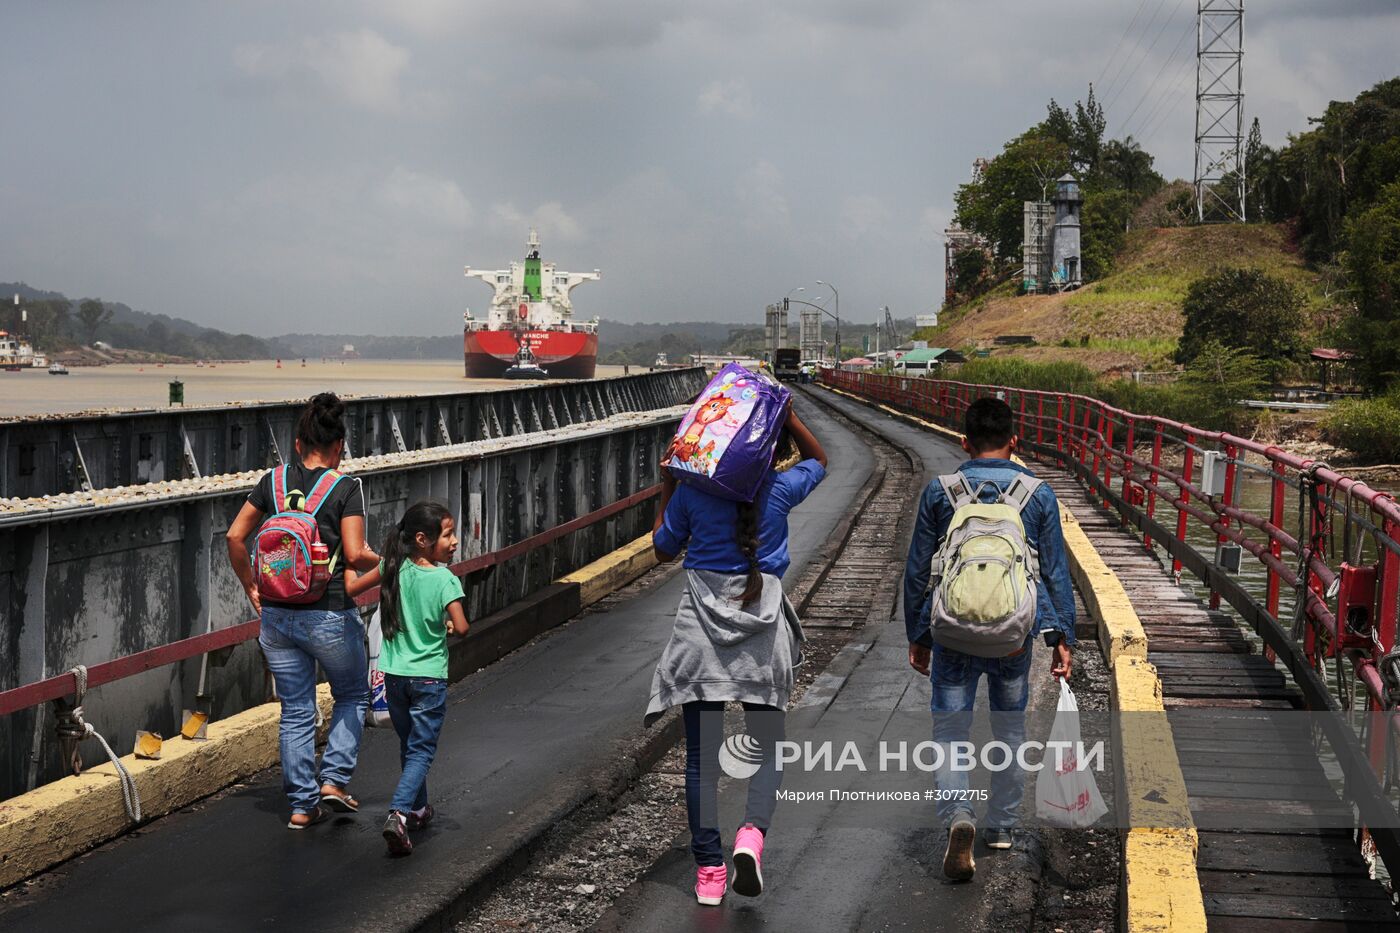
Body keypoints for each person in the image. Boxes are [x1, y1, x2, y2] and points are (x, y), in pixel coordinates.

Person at [645, 404, 828, 906]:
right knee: (767, 749)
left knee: (701, 762)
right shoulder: (779, 489)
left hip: (700, 641)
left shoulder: (692, 494)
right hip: (763, 640)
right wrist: (786, 418)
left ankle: (708, 870)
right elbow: (820, 459)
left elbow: (662, 549)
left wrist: (670, 481)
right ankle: (751, 837)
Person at [902, 396, 1075, 882]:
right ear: (1014, 441)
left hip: (953, 634)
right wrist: (1062, 636)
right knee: (1010, 732)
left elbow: (919, 570)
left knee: (950, 734)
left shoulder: (942, 491)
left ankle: (960, 813)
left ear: (964, 442)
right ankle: (999, 827)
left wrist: (919, 633)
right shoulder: (1037, 494)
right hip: (1013, 639)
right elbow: (1053, 574)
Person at [226, 393, 380, 829]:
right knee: (351, 693)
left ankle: (301, 806)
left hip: (275, 616)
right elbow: (353, 551)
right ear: (339, 446)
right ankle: (333, 781)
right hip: (328, 612)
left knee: (295, 708)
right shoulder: (345, 487)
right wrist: (390, 560)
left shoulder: (271, 482)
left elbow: (235, 538)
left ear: (297, 443)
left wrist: (250, 585)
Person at [347, 501, 469, 856]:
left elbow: (353, 589)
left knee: (409, 744)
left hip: (394, 676)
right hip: (428, 678)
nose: (455, 541)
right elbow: (461, 627)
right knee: (422, 750)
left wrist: (341, 560)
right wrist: (445, 624)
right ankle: (398, 813)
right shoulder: (445, 580)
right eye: (447, 535)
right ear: (422, 539)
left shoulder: (392, 567)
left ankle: (418, 809)